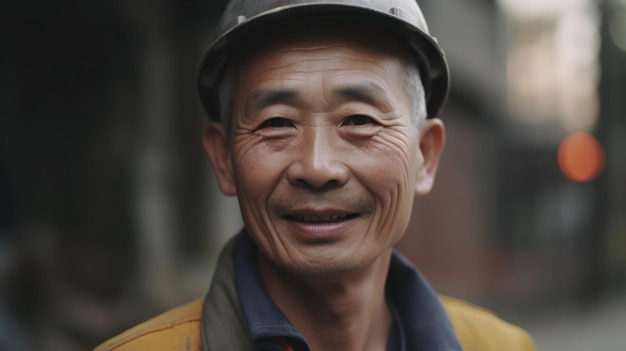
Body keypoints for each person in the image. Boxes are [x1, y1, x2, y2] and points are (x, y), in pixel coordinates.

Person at [95, 0, 535, 350]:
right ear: (224, 159)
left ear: (425, 154)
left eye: (359, 120)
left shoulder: (500, 347)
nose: (318, 168)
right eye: (276, 123)